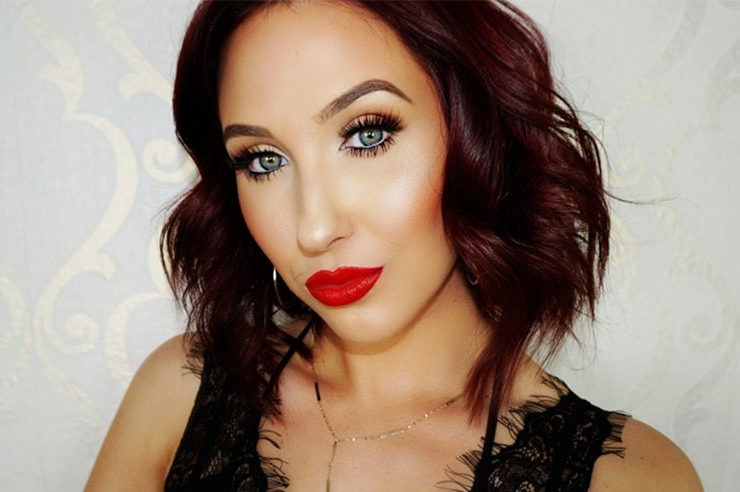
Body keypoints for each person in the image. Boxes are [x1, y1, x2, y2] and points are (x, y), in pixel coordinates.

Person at [85, 1, 704, 490]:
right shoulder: (178, 394)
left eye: (367, 135)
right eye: (264, 160)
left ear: (475, 134)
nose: (314, 229)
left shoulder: (630, 477)